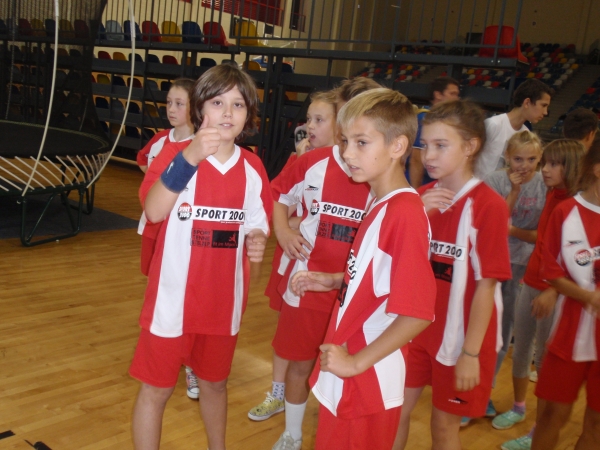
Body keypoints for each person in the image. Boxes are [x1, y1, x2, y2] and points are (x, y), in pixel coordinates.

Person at [129, 64, 273, 450]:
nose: (227, 113)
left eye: (238, 104)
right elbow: (154, 210)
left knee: (215, 385)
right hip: (171, 303)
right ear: (199, 108)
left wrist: (257, 239)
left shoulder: (253, 168)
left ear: (249, 114)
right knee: (156, 390)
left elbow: (256, 226)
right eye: (217, 102)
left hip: (222, 305)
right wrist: (191, 156)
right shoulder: (174, 154)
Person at [291, 87, 436, 450]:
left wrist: (355, 363)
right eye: (345, 141)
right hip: (352, 376)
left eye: (361, 142)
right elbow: (382, 280)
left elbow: (417, 313)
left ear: (397, 146)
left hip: (366, 382)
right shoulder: (381, 201)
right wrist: (337, 281)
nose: (347, 153)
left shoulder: (404, 215)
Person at [394, 100, 512, 450]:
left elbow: (486, 287)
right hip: (415, 331)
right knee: (394, 413)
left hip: (463, 340)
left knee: (444, 428)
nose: (428, 155)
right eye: (425, 144)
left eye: (440, 145)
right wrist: (416, 215)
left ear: (470, 146)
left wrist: (470, 354)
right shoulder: (418, 199)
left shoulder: (489, 206)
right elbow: (394, 260)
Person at [266, 97, 377, 449]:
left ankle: (337, 436)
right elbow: (278, 195)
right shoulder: (311, 162)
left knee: (346, 370)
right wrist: (283, 232)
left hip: (353, 294)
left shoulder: (377, 173)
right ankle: (293, 434)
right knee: (299, 365)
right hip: (306, 284)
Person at [249, 88, 339, 424]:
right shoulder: (300, 161)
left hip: (327, 265)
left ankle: (311, 394)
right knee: (286, 335)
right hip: (293, 257)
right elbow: (276, 207)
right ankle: (277, 392)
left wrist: (304, 221)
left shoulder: (358, 169)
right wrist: (291, 227)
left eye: (319, 120)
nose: (310, 126)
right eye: (309, 119)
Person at [497, 139, 585, 450]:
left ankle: (540, 428)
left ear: (571, 167)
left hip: (554, 292)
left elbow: (577, 260)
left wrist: (552, 290)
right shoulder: (551, 195)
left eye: (553, 164)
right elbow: (541, 242)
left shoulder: (574, 205)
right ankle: (519, 407)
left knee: (545, 363)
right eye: (544, 163)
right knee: (521, 349)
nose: (544, 169)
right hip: (532, 281)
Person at [462, 130, 545, 426]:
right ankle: (470, 395)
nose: (525, 165)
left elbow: (541, 235)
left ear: (540, 158)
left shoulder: (544, 183)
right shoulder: (496, 181)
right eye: (518, 159)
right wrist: (513, 192)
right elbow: (494, 224)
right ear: (507, 157)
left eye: (532, 159)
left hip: (523, 267)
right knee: (480, 328)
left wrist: (516, 232)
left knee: (502, 333)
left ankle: (484, 393)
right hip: (489, 264)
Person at [135, 78, 201, 401]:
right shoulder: (160, 141)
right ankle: (161, 344)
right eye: (169, 103)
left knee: (187, 297)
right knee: (160, 289)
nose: (172, 109)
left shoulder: (202, 146)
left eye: (179, 103)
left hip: (184, 234)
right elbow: (143, 164)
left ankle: (191, 364)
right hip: (154, 226)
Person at [531, 142, 600, 450]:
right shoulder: (567, 212)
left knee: (596, 424)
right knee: (551, 416)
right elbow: (552, 272)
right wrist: (589, 298)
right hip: (569, 334)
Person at [476, 79, 553, 179]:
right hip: (478, 184)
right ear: (527, 102)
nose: (545, 112)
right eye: (543, 105)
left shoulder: (525, 133)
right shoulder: (493, 124)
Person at [408, 76, 461, 188]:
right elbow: (416, 160)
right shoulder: (425, 118)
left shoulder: (446, 120)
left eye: (457, 94)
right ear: (438, 95)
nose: (456, 98)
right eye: (452, 94)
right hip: (420, 183)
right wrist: (417, 191)